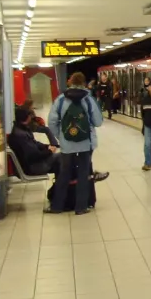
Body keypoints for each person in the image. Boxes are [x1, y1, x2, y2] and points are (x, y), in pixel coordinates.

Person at [47, 72, 103, 215]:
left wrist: (61, 136)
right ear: (84, 83)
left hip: (67, 144)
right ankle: (81, 207)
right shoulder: (89, 99)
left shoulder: (60, 100)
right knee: (83, 173)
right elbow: (98, 121)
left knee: (64, 173)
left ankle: (57, 206)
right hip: (86, 144)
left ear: (70, 82)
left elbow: (52, 122)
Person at [9, 107, 109, 181]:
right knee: (65, 157)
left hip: (33, 163)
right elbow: (33, 155)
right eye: (30, 116)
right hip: (34, 166)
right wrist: (48, 151)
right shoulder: (21, 135)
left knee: (66, 161)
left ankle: (85, 178)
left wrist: (47, 146)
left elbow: (35, 144)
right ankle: (88, 177)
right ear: (26, 118)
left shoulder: (20, 130)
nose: (32, 118)